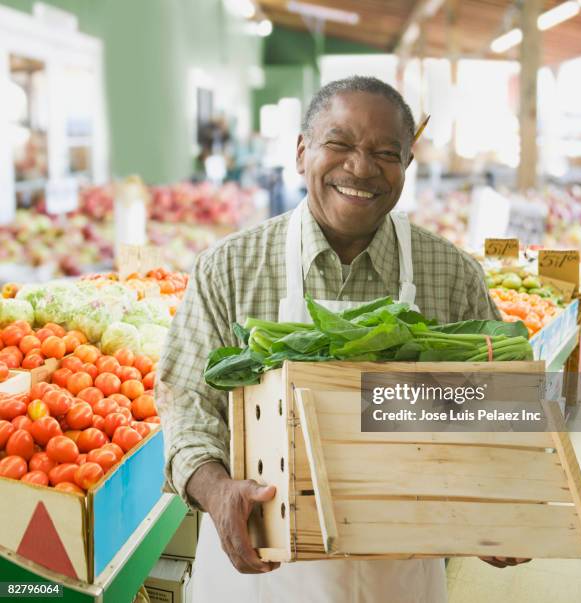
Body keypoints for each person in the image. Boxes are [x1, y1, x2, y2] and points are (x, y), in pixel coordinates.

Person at [157, 76, 528, 603]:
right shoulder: (230, 267)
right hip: (262, 567)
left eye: (385, 152)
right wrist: (217, 492)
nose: (361, 166)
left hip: (400, 574)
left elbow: (503, 403)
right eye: (340, 144)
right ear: (302, 151)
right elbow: (186, 405)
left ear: (407, 165)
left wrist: (498, 499)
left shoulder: (451, 271)